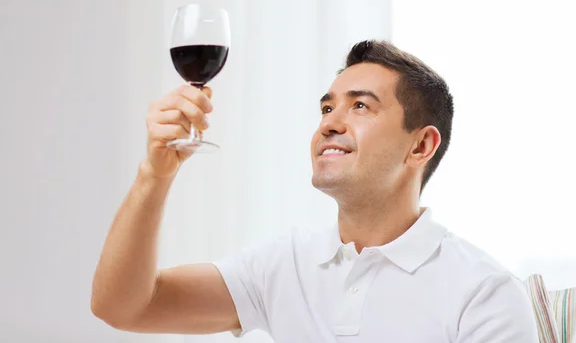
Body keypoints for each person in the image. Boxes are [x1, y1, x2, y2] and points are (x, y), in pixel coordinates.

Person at [91, 40, 538, 342]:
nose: (329, 122)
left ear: (420, 145)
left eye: (360, 105)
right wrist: (155, 173)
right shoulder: (285, 264)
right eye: (327, 107)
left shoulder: (484, 292)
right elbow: (126, 307)